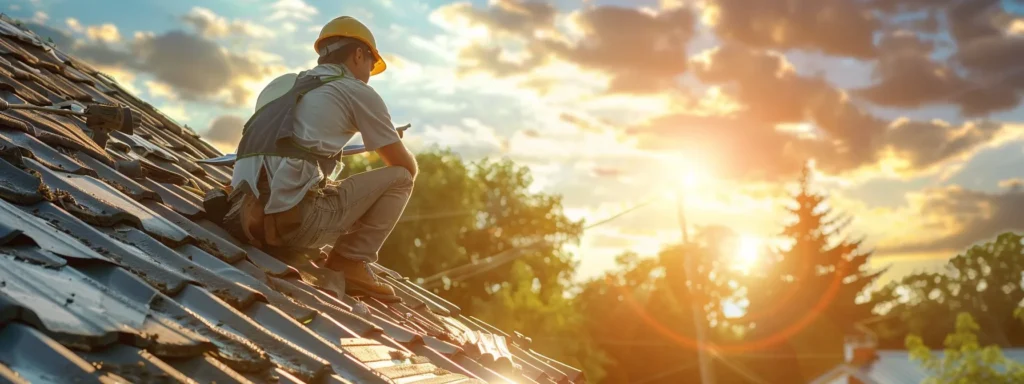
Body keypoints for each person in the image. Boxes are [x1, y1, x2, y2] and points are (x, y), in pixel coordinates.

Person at [224, 16, 417, 302]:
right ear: (359, 54)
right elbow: (404, 166)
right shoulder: (357, 91)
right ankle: (350, 261)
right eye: (369, 66)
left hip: (241, 211)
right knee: (401, 179)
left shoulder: (283, 86)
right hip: (289, 226)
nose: (367, 74)